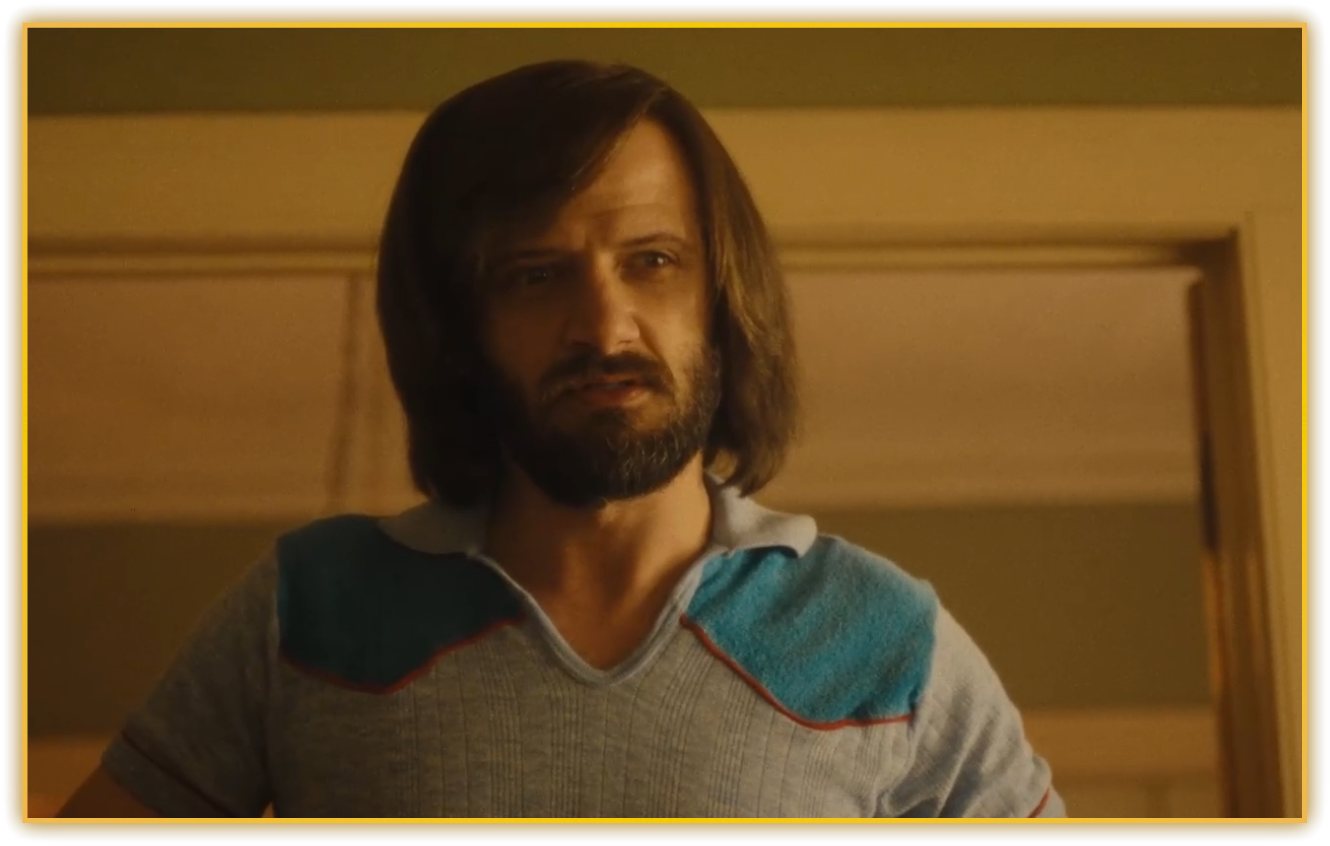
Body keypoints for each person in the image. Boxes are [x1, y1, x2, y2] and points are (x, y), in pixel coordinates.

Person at [58, 59, 1065, 819]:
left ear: (722, 296)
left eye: (653, 261)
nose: (604, 326)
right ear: (458, 324)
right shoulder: (304, 612)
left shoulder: (884, 639)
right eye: (536, 275)